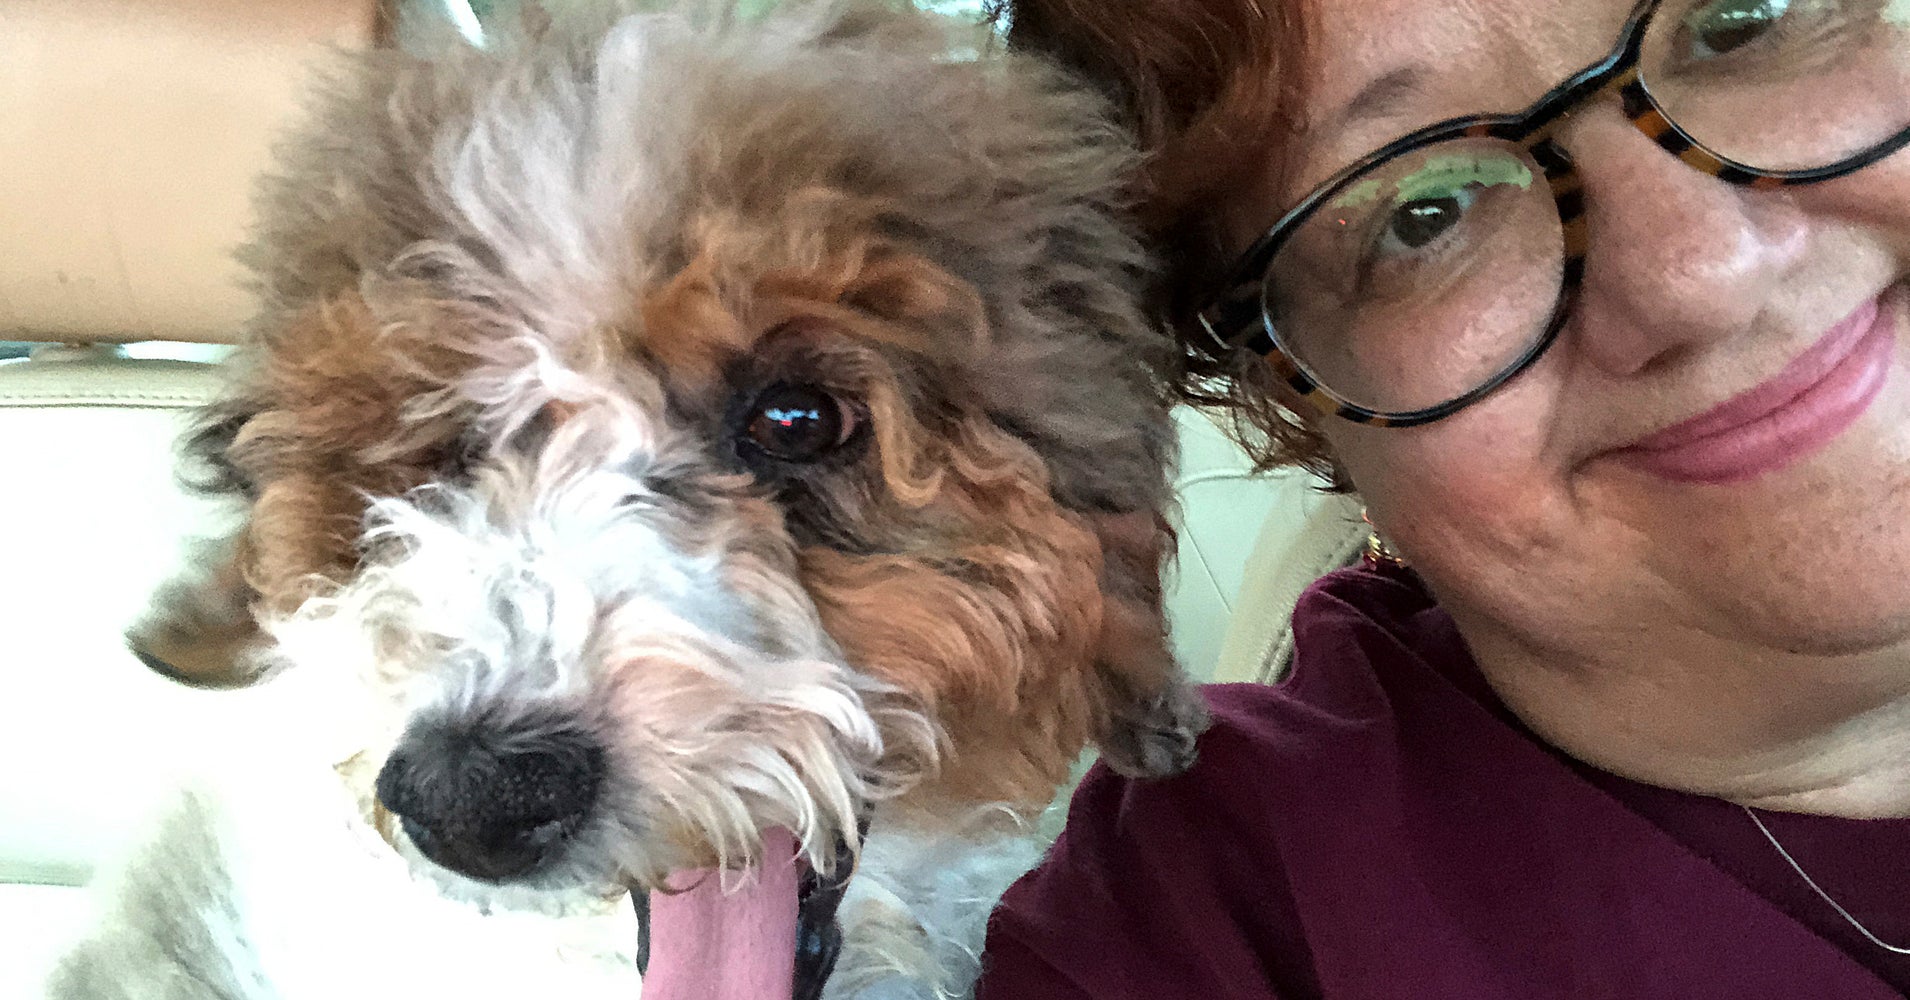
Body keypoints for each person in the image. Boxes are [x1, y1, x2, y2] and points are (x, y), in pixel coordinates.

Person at [974, 0, 1910, 996]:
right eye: (1425, 214)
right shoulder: (1198, 933)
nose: (1700, 272)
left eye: (1741, 22)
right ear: (1283, 399)